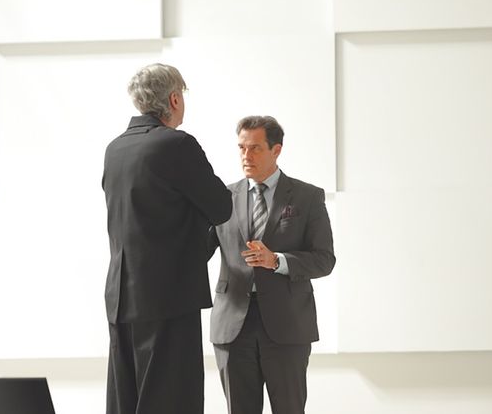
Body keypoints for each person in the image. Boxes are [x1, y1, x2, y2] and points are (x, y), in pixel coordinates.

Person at [102, 63, 233, 414]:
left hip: (120, 297)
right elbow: (221, 207)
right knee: (171, 401)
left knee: (126, 401)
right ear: (174, 99)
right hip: (168, 297)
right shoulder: (177, 144)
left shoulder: (115, 149)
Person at [209, 115, 335, 414]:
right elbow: (197, 251)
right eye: (241, 148)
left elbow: (324, 259)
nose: (246, 156)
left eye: (255, 148)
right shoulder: (222, 197)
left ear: (276, 150)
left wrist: (277, 260)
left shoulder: (307, 197)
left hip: (287, 324)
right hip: (233, 326)